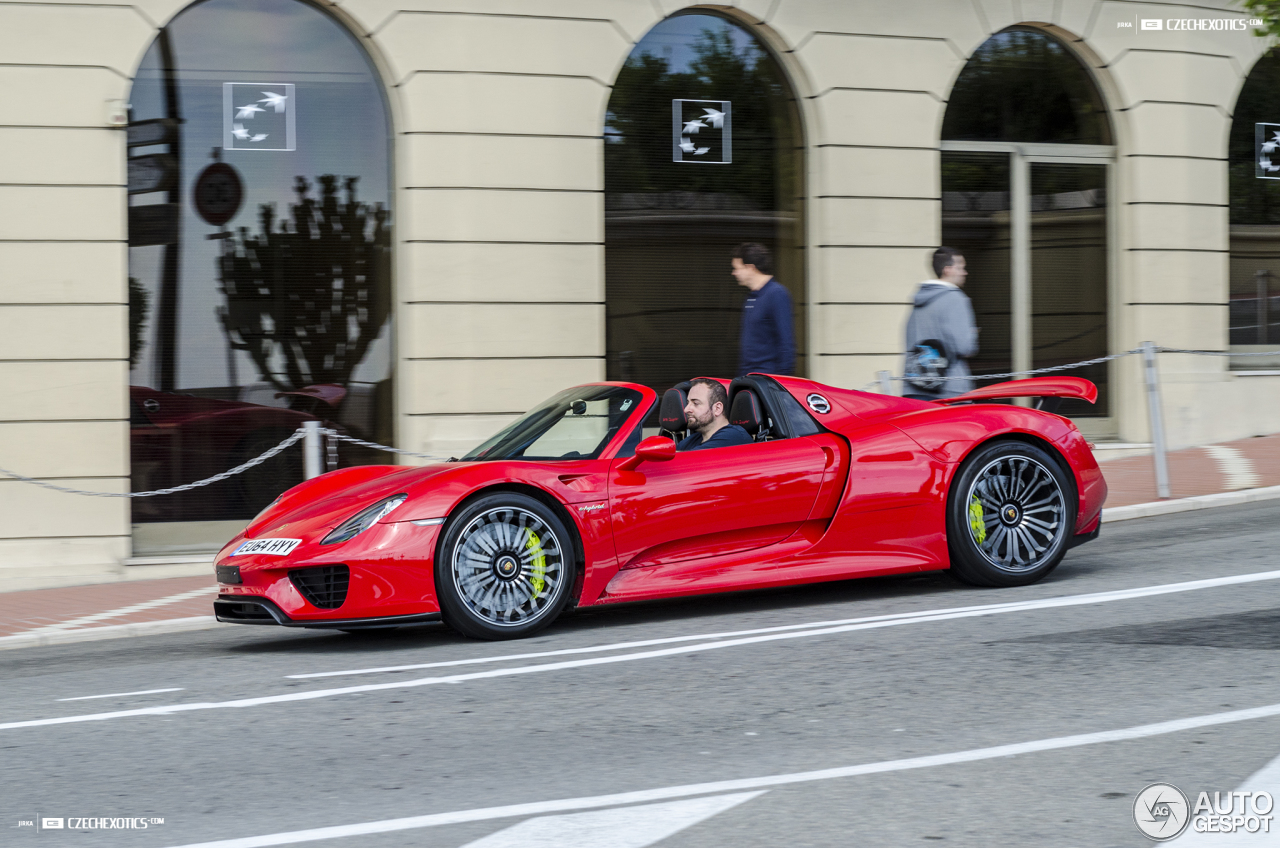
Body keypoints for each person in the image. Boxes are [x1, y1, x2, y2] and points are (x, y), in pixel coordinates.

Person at [903, 246, 980, 400]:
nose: (965, 273)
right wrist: (971, 334)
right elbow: (965, 347)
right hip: (949, 389)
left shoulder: (918, 300)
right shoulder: (956, 299)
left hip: (914, 387)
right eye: (961, 268)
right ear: (948, 269)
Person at [732, 242, 795, 376]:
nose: (734, 273)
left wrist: (780, 382)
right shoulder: (750, 298)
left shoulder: (777, 294)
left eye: (737, 268)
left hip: (768, 380)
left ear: (750, 268)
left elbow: (786, 343)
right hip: (749, 378)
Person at [678, 379, 752, 451]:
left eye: (696, 403)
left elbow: (689, 459)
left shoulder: (734, 437)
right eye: (688, 403)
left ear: (717, 408)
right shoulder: (688, 442)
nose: (686, 409)